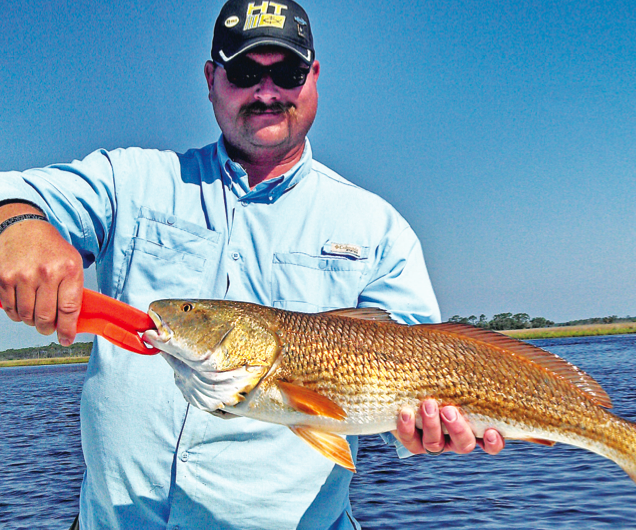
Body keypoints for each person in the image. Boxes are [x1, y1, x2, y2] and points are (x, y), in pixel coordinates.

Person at [0, 1, 504, 528]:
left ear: (312, 78)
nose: (267, 92)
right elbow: (13, 192)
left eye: (285, 72)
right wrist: (16, 225)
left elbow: (426, 362)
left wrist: (431, 429)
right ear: (211, 79)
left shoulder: (380, 228)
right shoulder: (131, 181)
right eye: (244, 71)